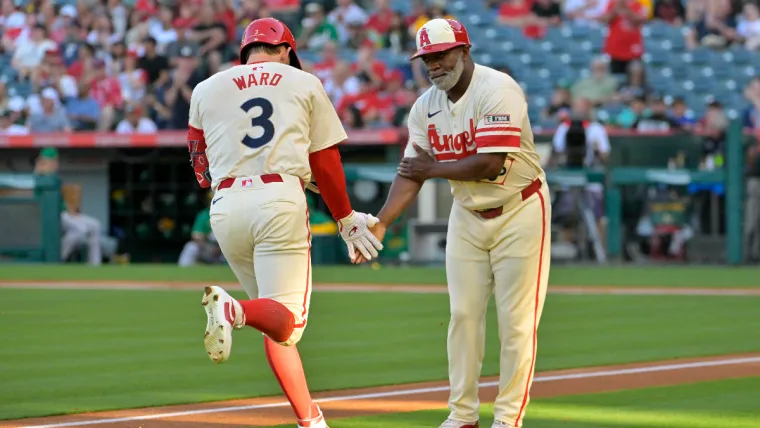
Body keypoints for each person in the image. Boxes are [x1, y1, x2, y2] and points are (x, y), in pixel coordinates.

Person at [186, 18, 383, 428]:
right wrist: (345, 218)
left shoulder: (206, 88)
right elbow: (325, 162)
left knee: (273, 319)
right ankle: (234, 310)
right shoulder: (302, 82)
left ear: (244, 53)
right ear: (288, 50)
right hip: (278, 199)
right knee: (287, 321)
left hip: (224, 204)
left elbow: (200, 164)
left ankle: (310, 420)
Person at [362, 18, 551, 428]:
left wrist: (432, 168)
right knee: (463, 315)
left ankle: (507, 418)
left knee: (516, 322)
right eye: (426, 58)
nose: (433, 65)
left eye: (441, 55)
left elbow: (490, 162)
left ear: (464, 52)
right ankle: (462, 415)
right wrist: (382, 222)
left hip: (519, 209)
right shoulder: (424, 107)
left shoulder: (497, 89)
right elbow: (412, 170)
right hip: (466, 213)